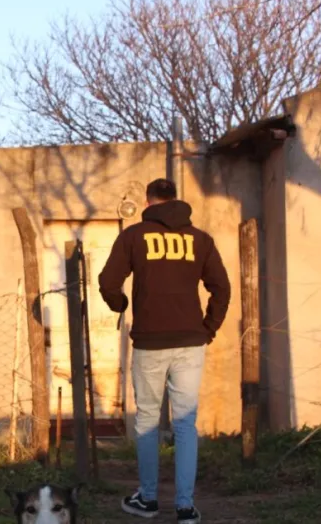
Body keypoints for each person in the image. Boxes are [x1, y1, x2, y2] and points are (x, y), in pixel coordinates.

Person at [98, 178, 231, 524]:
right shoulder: (200, 240)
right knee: (185, 423)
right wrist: (209, 327)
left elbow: (108, 282)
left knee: (146, 420)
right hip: (191, 341)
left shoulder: (133, 236)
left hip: (150, 341)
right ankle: (185, 507)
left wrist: (121, 303)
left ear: (148, 202)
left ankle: (149, 499)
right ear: (176, 201)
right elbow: (222, 288)